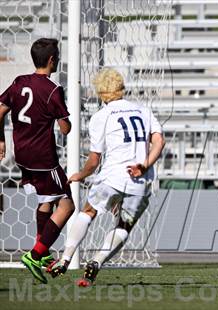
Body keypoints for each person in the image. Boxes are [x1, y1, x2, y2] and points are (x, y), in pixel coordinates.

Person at [47, 68, 165, 286]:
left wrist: (79, 175)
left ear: (101, 93)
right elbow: (160, 142)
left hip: (112, 177)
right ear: (122, 88)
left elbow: (94, 161)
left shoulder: (101, 116)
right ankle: (97, 261)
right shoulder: (143, 111)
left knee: (88, 212)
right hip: (141, 181)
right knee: (124, 225)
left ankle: (64, 259)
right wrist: (144, 164)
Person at [0, 38, 75, 284]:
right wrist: (63, 117)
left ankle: (41, 251)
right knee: (66, 205)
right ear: (52, 60)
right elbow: (65, 129)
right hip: (43, 157)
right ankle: (35, 254)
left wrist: (1, 141)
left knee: (47, 199)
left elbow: (0, 111)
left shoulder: (19, 82)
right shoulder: (52, 89)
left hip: (21, 154)